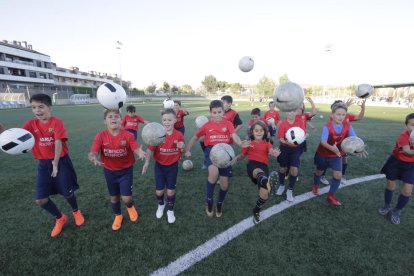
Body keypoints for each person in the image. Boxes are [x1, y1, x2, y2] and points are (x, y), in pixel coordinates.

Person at [22, 94, 84, 237]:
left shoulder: (56, 122)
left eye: (41, 107)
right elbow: (16, 137)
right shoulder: (31, 124)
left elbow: (58, 143)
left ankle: (76, 211)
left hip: (61, 162)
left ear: (49, 108)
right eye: (34, 107)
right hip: (43, 164)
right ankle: (60, 218)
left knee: (68, 193)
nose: (37, 110)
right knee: (40, 199)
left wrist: (55, 163)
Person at [185, 100, 250, 217]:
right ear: (210, 113)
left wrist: (240, 143)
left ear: (223, 111)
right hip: (211, 151)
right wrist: (188, 149)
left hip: (225, 152)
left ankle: (219, 203)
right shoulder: (207, 125)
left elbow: (234, 135)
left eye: (219, 112)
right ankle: (209, 200)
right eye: (214, 112)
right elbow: (195, 137)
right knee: (213, 173)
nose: (217, 115)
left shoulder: (228, 124)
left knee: (224, 185)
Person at [88, 109, 146, 231]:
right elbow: (93, 151)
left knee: (126, 198)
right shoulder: (101, 136)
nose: (113, 118)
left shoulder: (128, 135)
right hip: (109, 171)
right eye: (110, 117)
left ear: (121, 120)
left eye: (116, 116)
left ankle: (130, 207)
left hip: (125, 171)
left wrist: (139, 152)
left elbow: (135, 148)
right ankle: (118, 216)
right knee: (114, 197)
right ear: (105, 121)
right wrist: (93, 157)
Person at [311, 102, 365, 206]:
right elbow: (323, 142)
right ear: (332, 115)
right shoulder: (327, 126)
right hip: (322, 154)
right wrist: (333, 149)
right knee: (319, 171)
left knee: (338, 175)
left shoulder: (347, 126)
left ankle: (331, 195)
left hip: (336, 155)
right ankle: (316, 185)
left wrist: (359, 149)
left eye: (343, 115)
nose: (341, 117)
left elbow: (355, 139)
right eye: (338, 114)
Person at [142, 108, 185, 224]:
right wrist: (146, 163)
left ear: (175, 120)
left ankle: (170, 210)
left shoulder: (179, 135)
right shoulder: (158, 134)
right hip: (160, 166)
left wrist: (182, 147)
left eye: (169, 120)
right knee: (159, 192)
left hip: (172, 167)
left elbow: (183, 151)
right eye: (164, 120)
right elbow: (150, 149)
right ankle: (161, 204)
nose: (166, 122)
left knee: (170, 191)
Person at [232, 121, 280, 224]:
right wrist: (236, 158)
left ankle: (256, 210)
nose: (259, 132)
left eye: (261, 130)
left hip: (264, 167)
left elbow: (271, 151)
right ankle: (266, 182)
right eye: (256, 130)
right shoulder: (249, 144)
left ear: (265, 132)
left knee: (264, 195)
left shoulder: (267, 144)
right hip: (252, 166)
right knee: (258, 171)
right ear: (252, 132)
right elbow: (242, 155)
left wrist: (274, 153)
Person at [320, 98, 366, 185]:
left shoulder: (347, 115)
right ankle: (322, 175)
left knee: (344, 159)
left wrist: (363, 108)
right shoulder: (334, 116)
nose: (343, 105)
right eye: (340, 104)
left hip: (345, 142)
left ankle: (342, 175)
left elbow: (359, 117)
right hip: (334, 141)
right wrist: (346, 106)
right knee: (328, 159)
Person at [378, 113, 414, 224]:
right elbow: (407, 151)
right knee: (390, 184)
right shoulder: (403, 137)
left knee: (407, 191)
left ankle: (397, 211)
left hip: (411, 166)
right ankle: (387, 206)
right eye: (412, 125)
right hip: (396, 162)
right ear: (406, 126)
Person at [275, 109, 307, 202]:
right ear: (286, 112)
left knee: (294, 169)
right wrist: (285, 142)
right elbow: (280, 138)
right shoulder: (283, 123)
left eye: (293, 111)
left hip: (296, 149)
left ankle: (290, 189)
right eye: (289, 111)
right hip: (284, 148)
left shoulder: (300, 122)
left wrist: (305, 136)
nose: (291, 113)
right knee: (283, 168)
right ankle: (281, 185)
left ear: (296, 112)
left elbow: (303, 134)